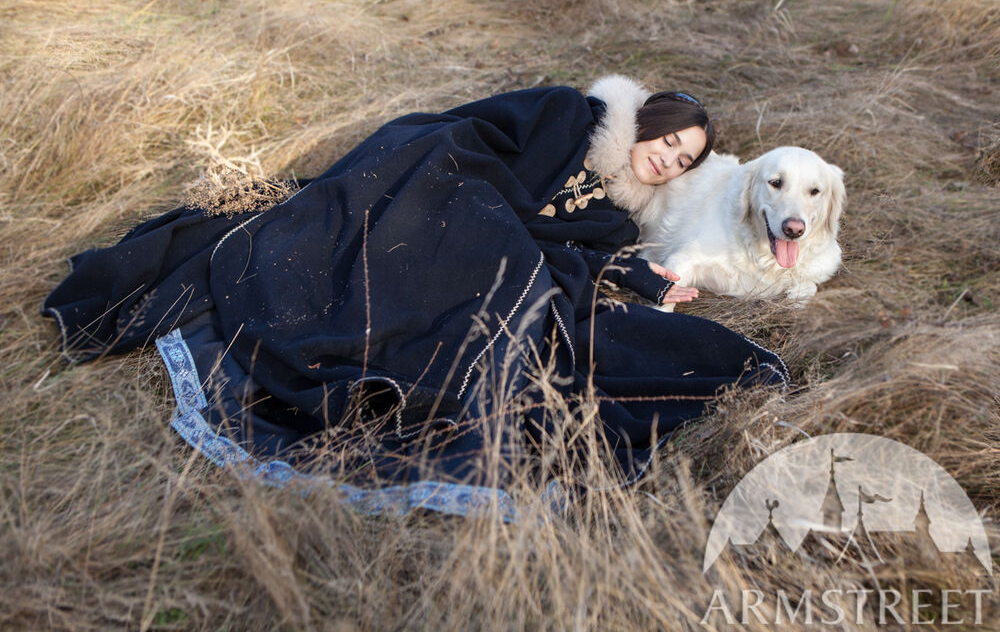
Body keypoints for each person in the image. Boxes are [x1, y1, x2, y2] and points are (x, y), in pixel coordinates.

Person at [43, 75, 787, 517]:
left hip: (475, 250)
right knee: (486, 242)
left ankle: (410, 363)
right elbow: (471, 132)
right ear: (647, 121)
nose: (665, 159)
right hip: (438, 192)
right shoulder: (568, 115)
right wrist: (492, 211)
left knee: (522, 297)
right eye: (666, 140)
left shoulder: (612, 215)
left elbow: (574, 258)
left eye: (681, 161)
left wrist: (640, 276)